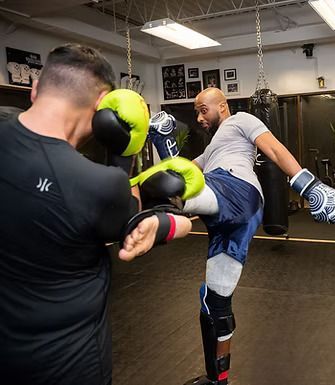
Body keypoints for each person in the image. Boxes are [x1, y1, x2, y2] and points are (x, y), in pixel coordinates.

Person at [0, 43, 196, 385]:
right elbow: (162, 223)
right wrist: (127, 153)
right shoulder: (98, 185)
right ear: (102, 107)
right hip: (68, 363)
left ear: (34, 89)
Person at [140, 87, 335, 385]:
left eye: (203, 110)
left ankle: (158, 187)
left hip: (236, 190)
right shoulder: (210, 150)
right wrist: (164, 149)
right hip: (230, 223)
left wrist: (310, 186)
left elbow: (274, 149)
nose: (199, 117)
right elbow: (182, 171)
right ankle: (218, 380)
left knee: (167, 185)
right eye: (197, 111)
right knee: (215, 305)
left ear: (222, 106)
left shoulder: (241, 120)